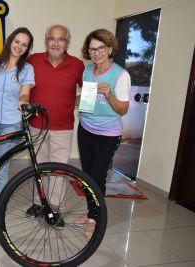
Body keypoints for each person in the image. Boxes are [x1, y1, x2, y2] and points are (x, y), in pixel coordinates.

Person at [76, 29, 131, 240]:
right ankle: (92, 212)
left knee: (98, 175)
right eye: (92, 48)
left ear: (109, 49)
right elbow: (87, 99)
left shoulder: (120, 75)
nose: (96, 52)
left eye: (101, 48)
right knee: (87, 175)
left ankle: (95, 219)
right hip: (86, 128)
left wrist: (109, 94)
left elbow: (123, 110)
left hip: (108, 133)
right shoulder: (88, 70)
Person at [0, 27, 35, 224]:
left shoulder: (27, 69)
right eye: (17, 41)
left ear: (27, 48)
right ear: (10, 41)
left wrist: (23, 100)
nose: (19, 46)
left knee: (1, 170)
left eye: (24, 44)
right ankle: (0, 200)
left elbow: (25, 92)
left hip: (11, 125)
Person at [26, 24, 84, 214]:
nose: (56, 43)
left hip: (63, 126)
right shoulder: (33, 60)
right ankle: (38, 203)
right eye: (52, 38)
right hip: (36, 125)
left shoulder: (77, 64)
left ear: (67, 43)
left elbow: (89, 92)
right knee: (39, 168)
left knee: (58, 170)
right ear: (46, 41)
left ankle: (55, 209)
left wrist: (71, 101)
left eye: (61, 39)